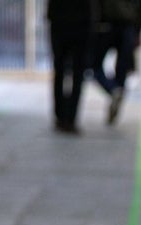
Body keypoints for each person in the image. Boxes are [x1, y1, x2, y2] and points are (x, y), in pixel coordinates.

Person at [92, 0, 141, 125]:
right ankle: (115, 91)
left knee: (97, 66)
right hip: (122, 28)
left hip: (110, 26)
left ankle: (114, 91)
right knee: (119, 69)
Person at [46, 0, 95, 134]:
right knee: (72, 74)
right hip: (75, 23)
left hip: (65, 22)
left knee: (64, 73)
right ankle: (68, 118)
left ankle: (64, 117)